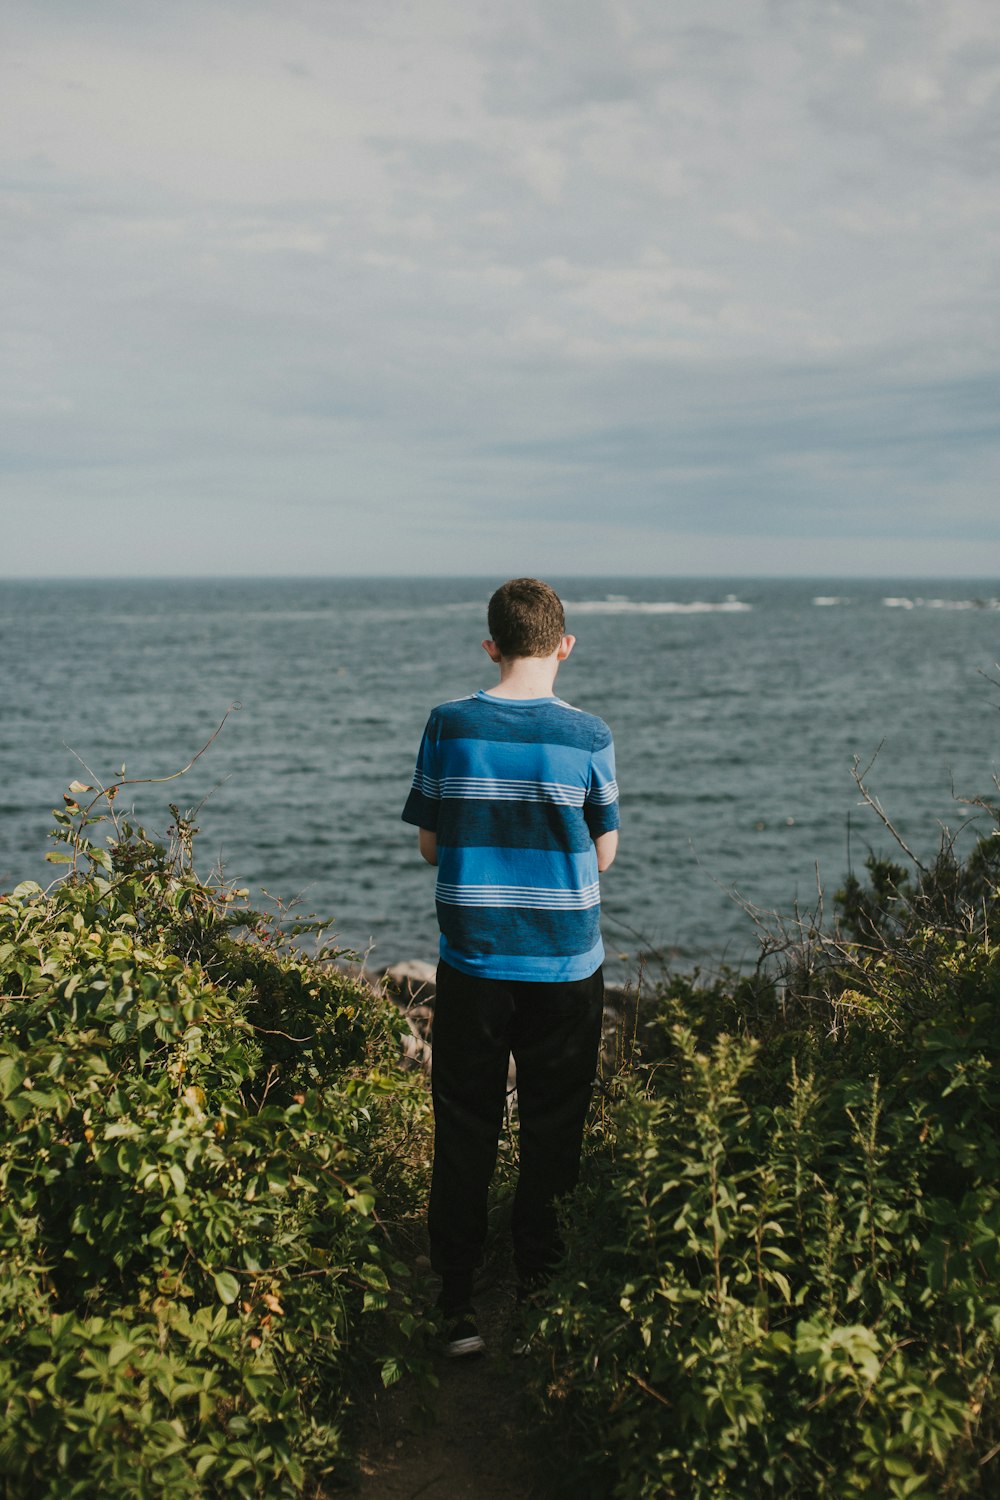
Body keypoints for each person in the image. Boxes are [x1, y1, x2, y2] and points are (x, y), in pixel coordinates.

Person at [401, 577, 619, 1356]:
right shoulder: (590, 735)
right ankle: (540, 1302)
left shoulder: (449, 724)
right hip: (565, 966)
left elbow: (430, 842)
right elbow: (606, 850)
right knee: (553, 1137)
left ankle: (456, 1308)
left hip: (474, 964)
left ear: (490, 646)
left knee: (465, 1132)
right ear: (564, 645)